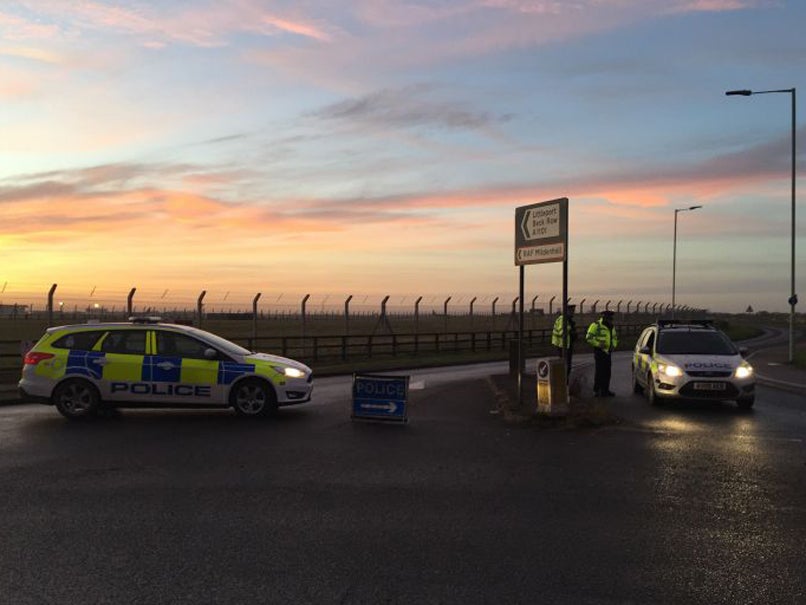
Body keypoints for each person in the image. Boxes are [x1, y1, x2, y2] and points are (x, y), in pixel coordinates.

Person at [586, 309, 619, 397]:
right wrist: (598, 344)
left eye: (611, 318)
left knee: (607, 372)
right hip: (599, 352)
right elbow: (589, 338)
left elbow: (615, 338)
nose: (610, 320)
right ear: (604, 317)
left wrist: (613, 345)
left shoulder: (611, 327)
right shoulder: (596, 325)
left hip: (608, 352)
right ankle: (596, 390)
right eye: (609, 318)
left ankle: (605, 390)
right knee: (599, 372)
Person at [551, 304, 578, 377]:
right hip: (562, 345)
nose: (573, 312)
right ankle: (564, 384)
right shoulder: (562, 319)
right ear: (567, 311)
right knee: (565, 366)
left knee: (567, 366)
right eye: (571, 311)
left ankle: (565, 383)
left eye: (573, 311)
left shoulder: (568, 320)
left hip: (567, 345)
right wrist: (570, 330)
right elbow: (562, 332)